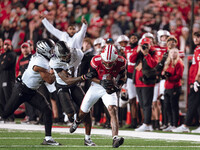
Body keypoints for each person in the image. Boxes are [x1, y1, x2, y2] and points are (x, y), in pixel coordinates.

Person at [0, 39, 61, 145]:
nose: (53, 52)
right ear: (44, 50)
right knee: (6, 113)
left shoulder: (41, 58)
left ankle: (48, 139)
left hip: (31, 91)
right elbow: (50, 80)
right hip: (21, 90)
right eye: (50, 50)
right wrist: (57, 70)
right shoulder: (40, 62)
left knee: (47, 110)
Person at [69, 45, 126, 148]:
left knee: (113, 109)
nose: (108, 64)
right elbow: (90, 76)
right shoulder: (96, 60)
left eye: (110, 63)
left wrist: (118, 86)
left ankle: (115, 138)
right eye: (106, 62)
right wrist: (101, 82)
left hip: (109, 87)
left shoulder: (121, 61)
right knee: (83, 112)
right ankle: (77, 121)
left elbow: (123, 76)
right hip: (96, 86)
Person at [50, 41, 96, 146]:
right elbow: (67, 80)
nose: (67, 57)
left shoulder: (77, 53)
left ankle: (87, 139)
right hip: (62, 86)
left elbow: (88, 59)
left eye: (68, 54)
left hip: (75, 85)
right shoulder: (54, 61)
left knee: (87, 110)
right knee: (70, 115)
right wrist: (84, 77)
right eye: (64, 56)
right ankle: (75, 121)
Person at [172, 31, 200, 133]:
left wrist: (196, 80)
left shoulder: (199, 50)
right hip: (195, 80)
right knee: (197, 103)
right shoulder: (197, 49)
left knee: (192, 103)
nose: (196, 39)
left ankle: (186, 125)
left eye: (198, 37)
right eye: (195, 37)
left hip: (197, 81)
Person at [130, 37, 158, 132]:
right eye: (143, 45)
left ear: (151, 45)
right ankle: (147, 123)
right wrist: (136, 51)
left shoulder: (153, 52)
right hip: (138, 81)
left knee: (147, 104)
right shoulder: (138, 52)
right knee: (142, 104)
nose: (145, 46)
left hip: (147, 81)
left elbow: (153, 64)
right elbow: (131, 59)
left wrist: (146, 54)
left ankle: (147, 123)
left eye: (147, 44)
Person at [162, 48, 184, 132]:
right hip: (167, 86)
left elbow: (179, 76)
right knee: (167, 106)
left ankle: (175, 124)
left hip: (175, 86)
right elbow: (163, 72)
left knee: (174, 106)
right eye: (171, 52)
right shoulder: (168, 62)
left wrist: (169, 77)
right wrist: (164, 75)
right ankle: (171, 123)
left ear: (177, 54)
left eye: (175, 52)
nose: (173, 54)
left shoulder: (179, 63)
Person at [124, 33, 139, 128]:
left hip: (138, 75)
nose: (133, 39)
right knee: (132, 100)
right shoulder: (127, 49)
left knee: (140, 101)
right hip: (129, 76)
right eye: (132, 38)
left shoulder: (139, 48)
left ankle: (143, 121)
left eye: (135, 38)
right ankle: (134, 122)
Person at [0, 39, 17, 122]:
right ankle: (4, 116)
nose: (6, 46)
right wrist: (3, 62)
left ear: (11, 46)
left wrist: (3, 63)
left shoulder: (12, 54)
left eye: (8, 44)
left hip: (8, 80)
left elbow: (4, 66)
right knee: (2, 99)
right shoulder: (3, 55)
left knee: (9, 99)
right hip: (2, 79)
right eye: (5, 45)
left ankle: (11, 117)